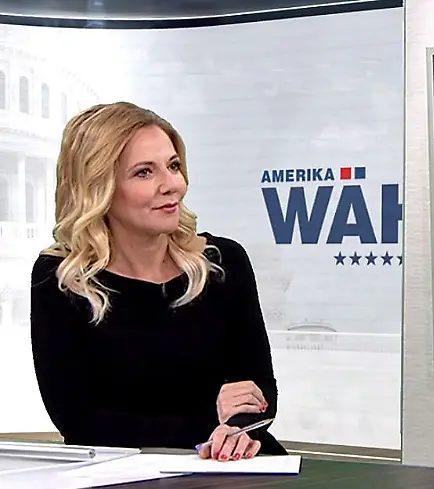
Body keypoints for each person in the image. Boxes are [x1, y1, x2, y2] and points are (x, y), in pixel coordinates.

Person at [30, 101, 287, 460]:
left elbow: (258, 392)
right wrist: (209, 421)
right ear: (99, 187)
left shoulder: (223, 262)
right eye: (144, 173)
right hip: (123, 477)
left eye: (174, 166)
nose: (172, 185)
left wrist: (237, 429)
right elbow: (78, 419)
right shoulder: (62, 277)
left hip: (232, 465)